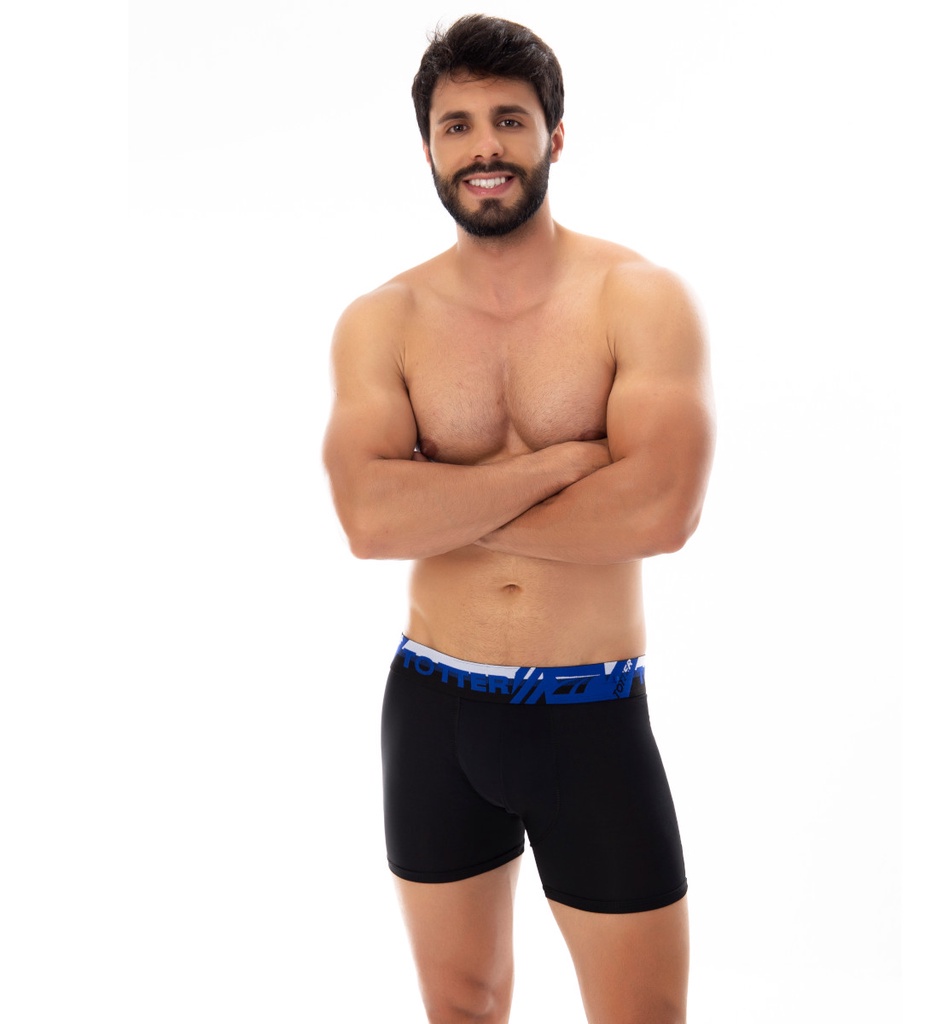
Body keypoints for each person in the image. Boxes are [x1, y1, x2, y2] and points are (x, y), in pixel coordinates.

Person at [322, 14, 715, 1024]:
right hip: (433, 710)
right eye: (456, 126)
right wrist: (563, 465)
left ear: (555, 136)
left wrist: (441, 504)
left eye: (509, 119)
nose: (483, 146)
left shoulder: (638, 299)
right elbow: (367, 520)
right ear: (427, 148)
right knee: (461, 1009)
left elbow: (662, 508)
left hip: (589, 715)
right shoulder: (384, 320)